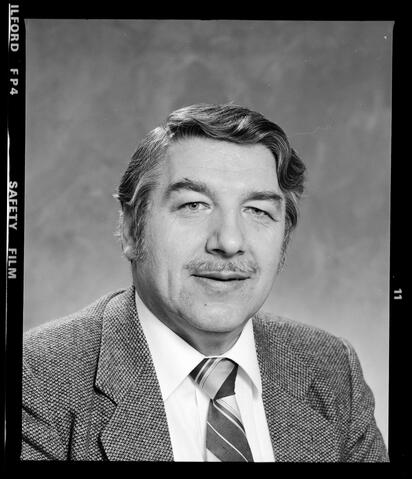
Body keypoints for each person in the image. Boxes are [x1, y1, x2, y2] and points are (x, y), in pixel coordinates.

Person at [21, 103, 389, 462]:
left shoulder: (331, 368)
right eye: (194, 205)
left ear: (284, 239)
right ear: (132, 230)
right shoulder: (36, 376)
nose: (228, 242)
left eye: (257, 210)